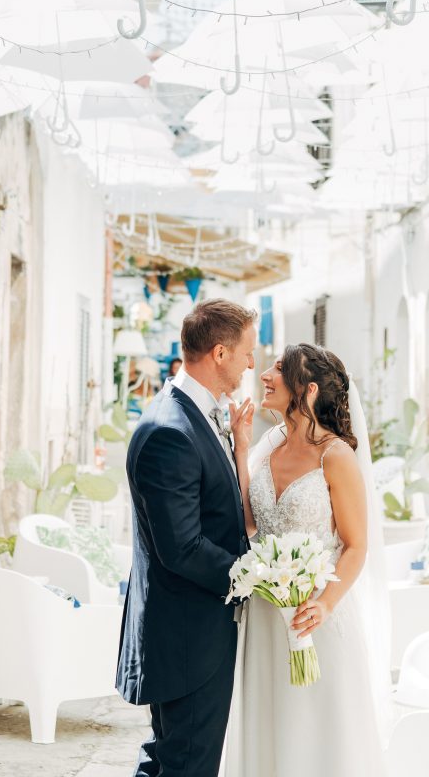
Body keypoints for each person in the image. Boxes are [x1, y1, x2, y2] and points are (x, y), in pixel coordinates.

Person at [225, 343, 390, 777]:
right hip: (264, 614)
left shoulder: (336, 456)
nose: (264, 374)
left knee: (316, 732)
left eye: (278, 369)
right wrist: (242, 449)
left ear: (308, 389)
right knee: (270, 724)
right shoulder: (269, 442)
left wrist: (324, 604)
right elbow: (247, 521)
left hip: (315, 614)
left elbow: (356, 545)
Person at [116, 299, 257, 777]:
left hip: (193, 631)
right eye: (246, 352)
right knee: (187, 765)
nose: (251, 363)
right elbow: (183, 548)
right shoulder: (170, 431)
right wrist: (255, 576)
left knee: (169, 760)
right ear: (219, 353)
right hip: (186, 637)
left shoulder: (194, 413)